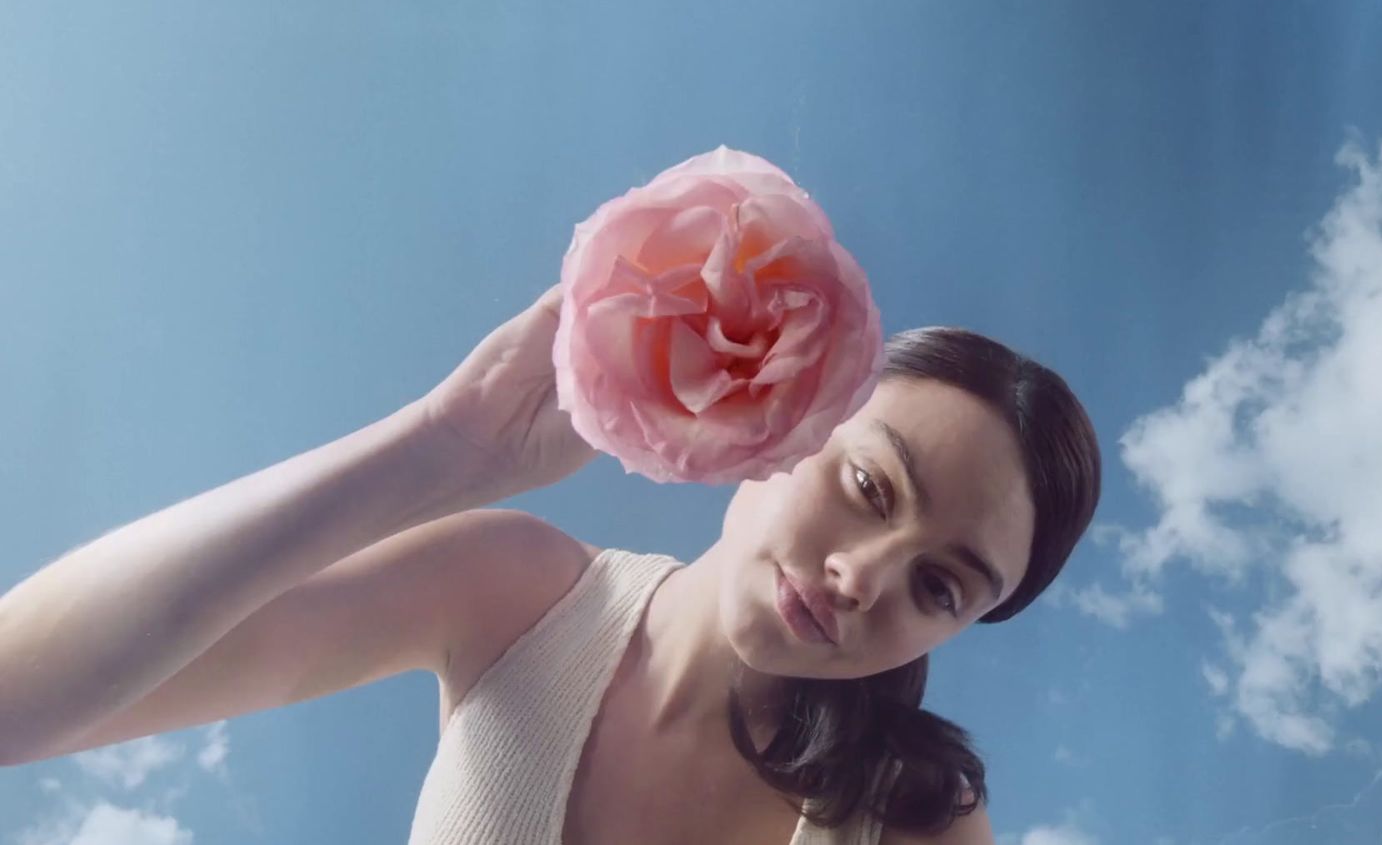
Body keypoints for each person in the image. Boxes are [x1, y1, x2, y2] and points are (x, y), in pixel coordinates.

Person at [0, 282, 1101, 845]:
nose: (867, 576)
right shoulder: (518, 596)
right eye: (869, 486)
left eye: (940, 585)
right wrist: (441, 447)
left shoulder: (911, 815)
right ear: (786, 417)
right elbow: (15, 702)